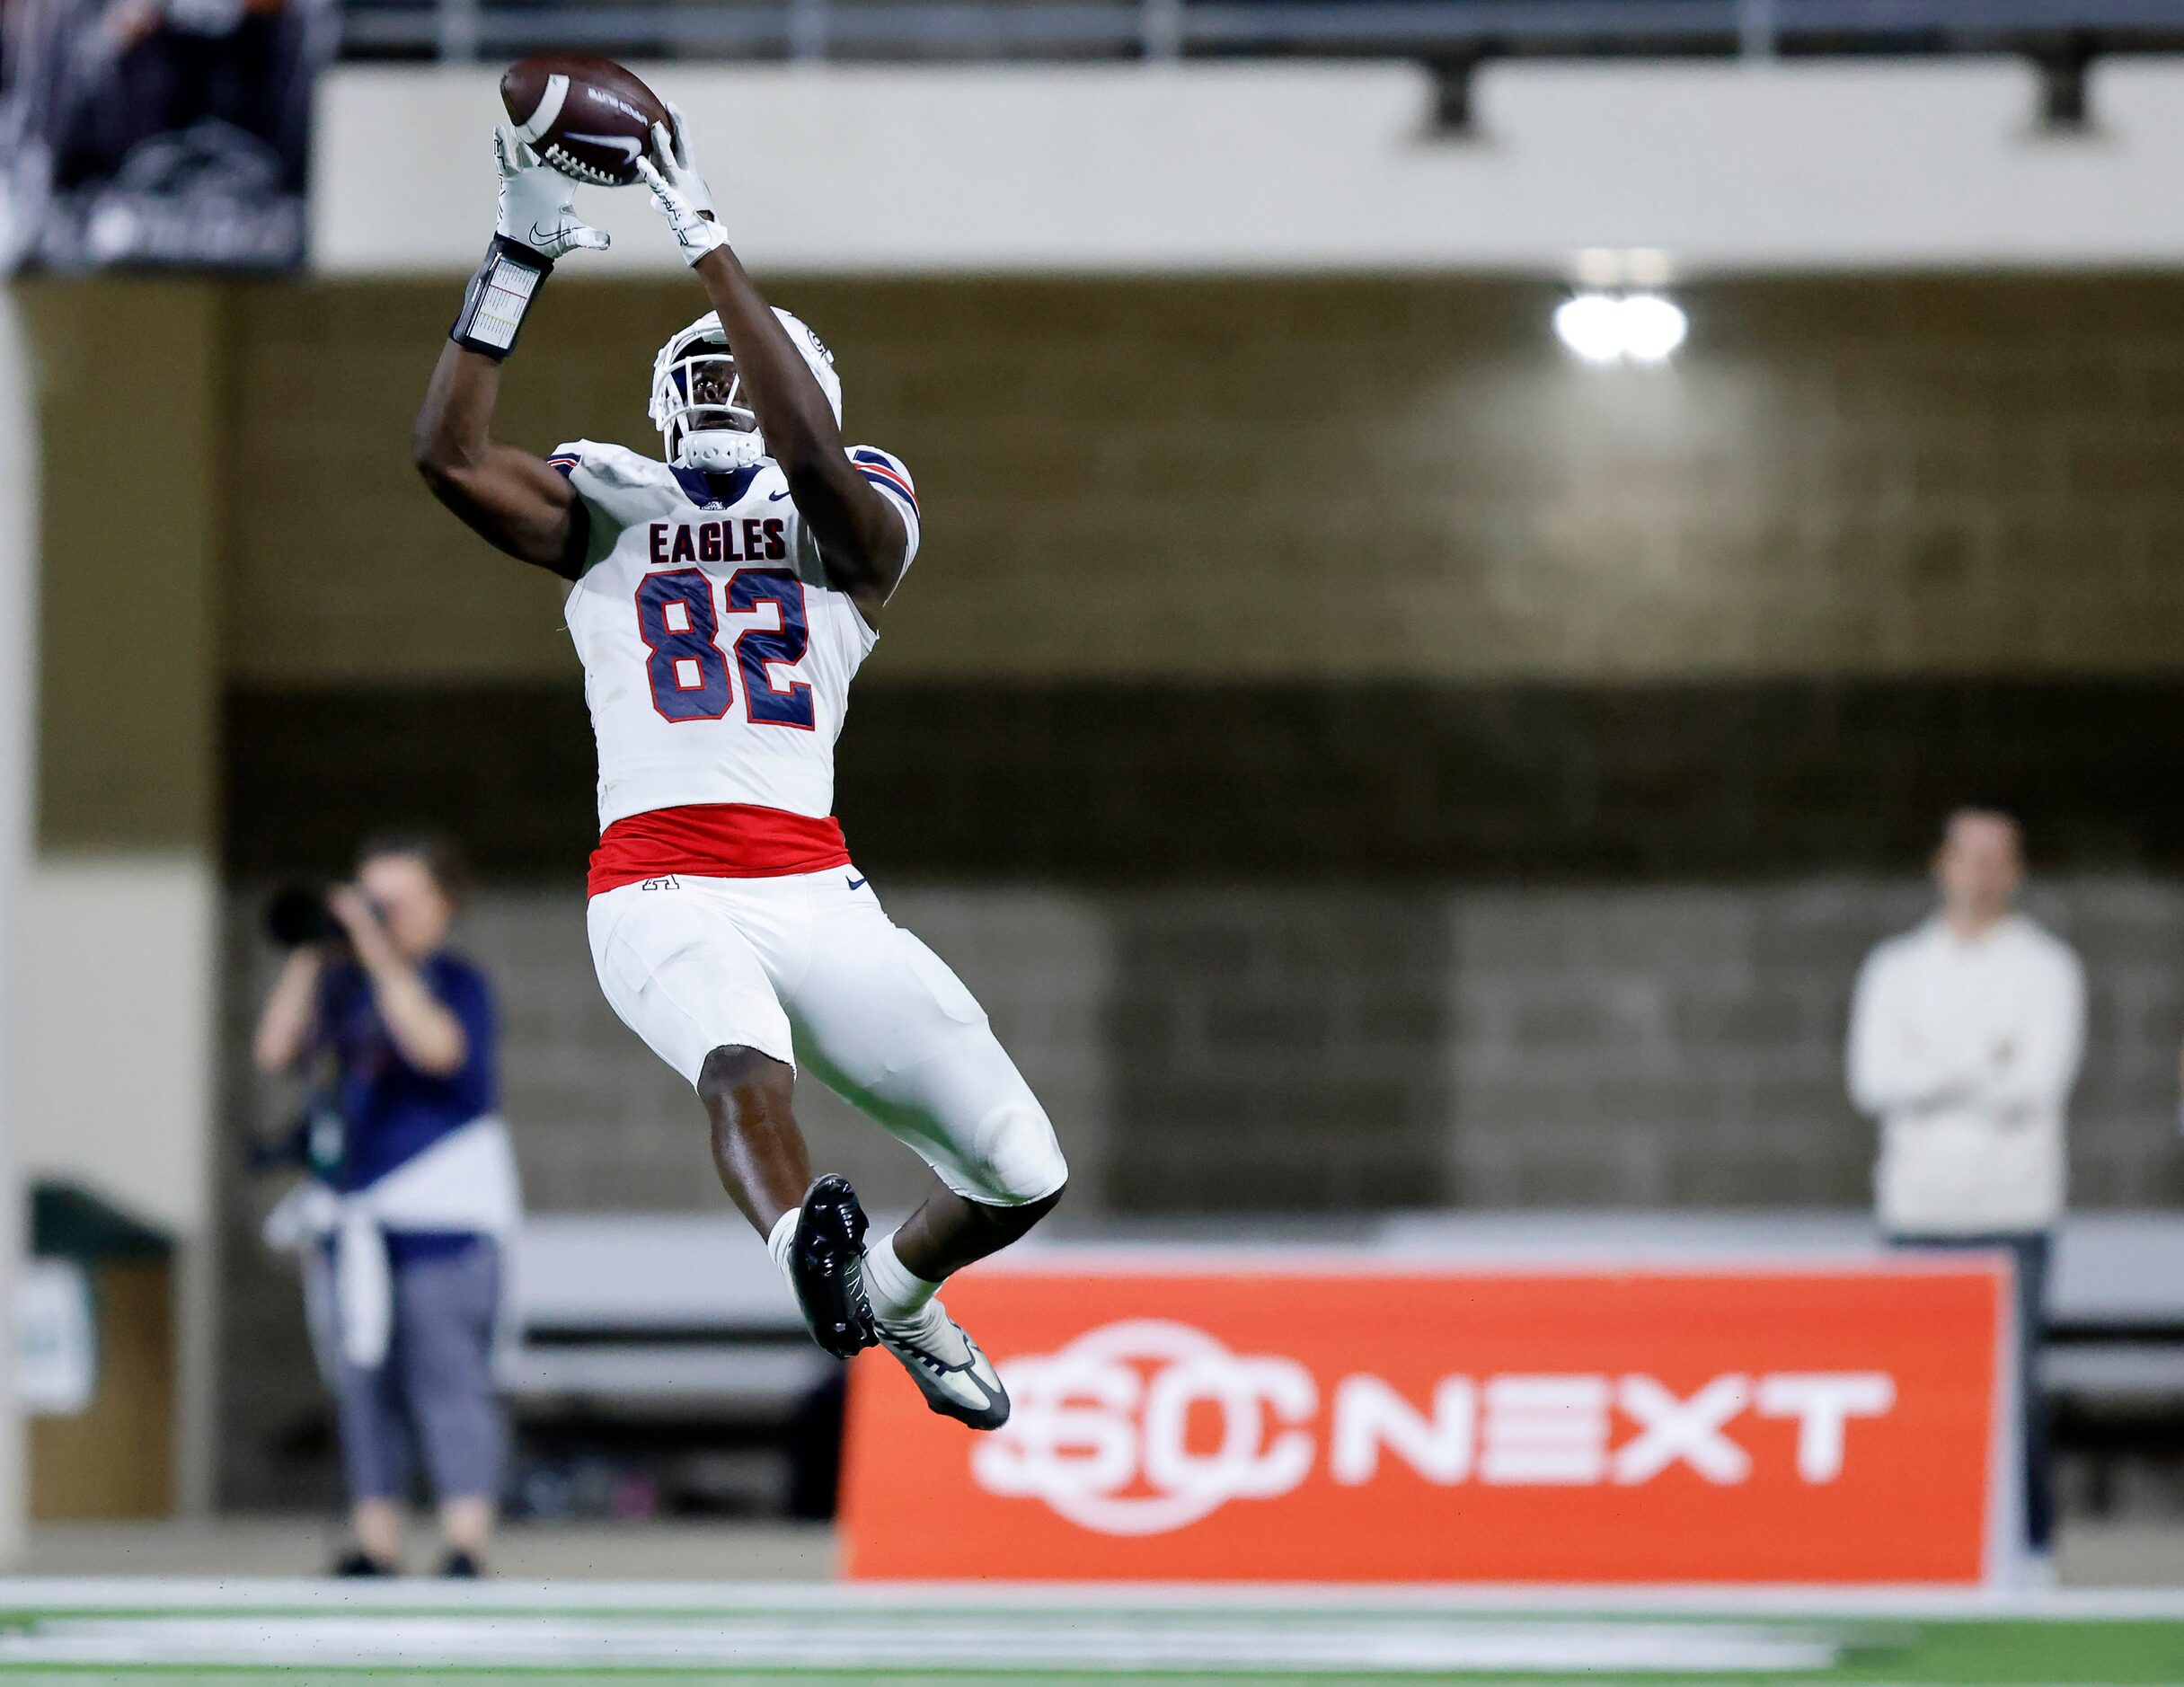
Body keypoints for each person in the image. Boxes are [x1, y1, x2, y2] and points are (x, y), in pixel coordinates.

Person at [408, 110, 1066, 1432]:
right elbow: (449, 456)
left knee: (1021, 1166)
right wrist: (513, 262)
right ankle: (807, 1263)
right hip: (656, 883)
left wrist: (706, 243)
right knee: (737, 1063)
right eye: (694, 375)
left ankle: (894, 1290)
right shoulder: (609, 500)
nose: (714, 390)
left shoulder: (855, 506)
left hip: (814, 888)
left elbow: (816, 461)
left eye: (739, 374)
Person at [253, 833, 519, 1577]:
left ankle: (466, 1539)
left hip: (443, 1223)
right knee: (362, 1384)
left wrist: (377, 953)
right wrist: (314, 949)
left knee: (447, 1380)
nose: (378, 916)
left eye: (393, 903)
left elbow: (436, 1049)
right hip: (356, 1216)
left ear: (440, 906)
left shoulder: (456, 981)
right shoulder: (337, 984)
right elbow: (274, 1051)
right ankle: (377, 1539)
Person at [1846, 807, 2085, 1579]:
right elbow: (1874, 1081)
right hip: (1918, 1209)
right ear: (1940, 864)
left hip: (2013, 1208)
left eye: (1997, 859)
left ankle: (2031, 1555)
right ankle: (1914, 1550)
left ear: (2014, 871)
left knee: (2016, 1390)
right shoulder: (1895, 969)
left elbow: (2037, 1086)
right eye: (1967, 856)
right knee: (1913, 1389)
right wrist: (1985, 1062)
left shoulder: (2047, 969)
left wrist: (1933, 1071)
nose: (1980, 873)